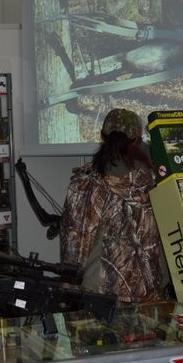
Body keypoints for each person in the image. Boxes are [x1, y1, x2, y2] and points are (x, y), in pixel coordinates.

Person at [60, 108, 170, 302]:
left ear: (102, 136)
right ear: (137, 139)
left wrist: (70, 286)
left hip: (95, 287)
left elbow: (72, 238)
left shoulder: (83, 182)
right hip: (144, 289)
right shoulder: (153, 183)